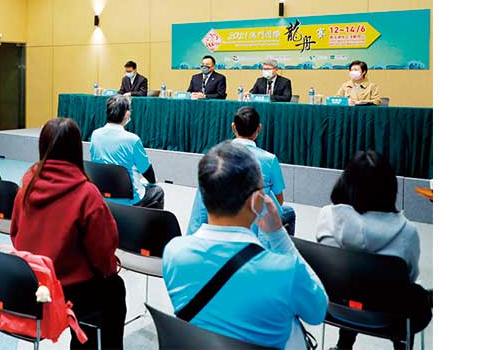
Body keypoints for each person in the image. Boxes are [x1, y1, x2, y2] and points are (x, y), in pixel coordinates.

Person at [163, 141, 327, 348]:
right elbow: (318, 312)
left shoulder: (173, 252)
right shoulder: (285, 270)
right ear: (257, 200)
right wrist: (278, 235)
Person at [11, 118, 125, 350]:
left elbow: (15, 235)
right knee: (114, 289)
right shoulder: (87, 193)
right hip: (69, 291)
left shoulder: (26, 188)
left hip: (31, 285)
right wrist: (109, 269)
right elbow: (103, 251)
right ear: (76, 149)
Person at [317, 151, 427, 350]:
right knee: (413, 294)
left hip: (335, 308)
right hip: (389, 316)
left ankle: (343, 346)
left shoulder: (327, 216)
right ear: (390, 187)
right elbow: (409, 277)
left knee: (353, 284)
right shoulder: (407, 232)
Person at [186, 107, 295, 235]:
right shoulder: (270, 160)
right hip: (256, 230)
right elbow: (279, 201)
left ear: (233, 127)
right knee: (289, 213)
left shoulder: (214, 157)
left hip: (221, 220)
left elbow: (201, 207)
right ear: (259, 128)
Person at [89, 95, 165, 209]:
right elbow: (146, 170)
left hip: (101, 194)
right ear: (126, 114)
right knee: (158, 191)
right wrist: (153, 182)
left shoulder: (95, 135)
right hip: (129, 198)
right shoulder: (133, 140)